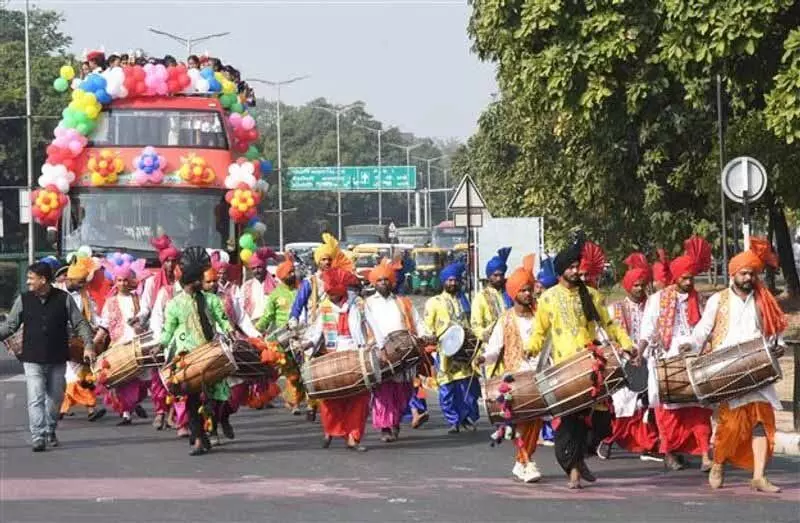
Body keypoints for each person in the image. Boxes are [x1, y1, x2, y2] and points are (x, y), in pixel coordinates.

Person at [527, 235, 634, 489]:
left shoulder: (593, 296)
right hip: (565, 370)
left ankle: (579, 459)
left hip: (592, 366)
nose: (576, 270)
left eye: (578, 266)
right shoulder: (549, 298)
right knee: (571, 423)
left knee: (602, 424)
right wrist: (530, 348)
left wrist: (627, 345)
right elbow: (540, 331)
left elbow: (609, 325)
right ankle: (574, 469)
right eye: (571, 267)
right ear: (561, 270)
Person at [690, 238, 787, 493]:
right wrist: (689, 348)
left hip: (758, 370)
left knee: (761, 422)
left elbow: (775, 331)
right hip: (727, 371)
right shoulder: (718, 300)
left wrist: (779, 346)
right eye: (743, 273)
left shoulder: (762, 300)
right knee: (730, 426)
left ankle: (758, 476)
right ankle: (719, 463)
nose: (748, 277)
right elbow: (703, 329)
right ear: (733, 274)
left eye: (752, 273)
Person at [0, 262, 94, 451]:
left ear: (43, 280)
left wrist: (89, 346)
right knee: (35, 397)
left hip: (57, 358)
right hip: (32, 358)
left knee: (55, 398)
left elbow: (80, 324)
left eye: (31, 278)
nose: (28, 282)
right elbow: (10, 326)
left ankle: (50, 428)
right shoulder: (24, 300)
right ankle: (38, 436)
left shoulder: (64, 299)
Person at [639, 237, 713, 472]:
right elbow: (647, 329)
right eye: (685, 278)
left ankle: (704, 455)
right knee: (668, 413)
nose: (689, 282)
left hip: (693, 359)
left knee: (699, 410)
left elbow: (707, 327)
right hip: (666, 360)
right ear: (676, 277)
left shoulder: (699, 299)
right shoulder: (658, 300)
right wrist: (640, 352)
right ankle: (669, 452)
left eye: (691, 278)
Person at [160, 247, 234, 456]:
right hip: (188, 358)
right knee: (192, 400)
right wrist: (160, 344)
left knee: (217, 399)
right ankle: (199, 439)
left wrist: (230, 332)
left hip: (211, 353)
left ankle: (214, 426)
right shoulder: (174, 304)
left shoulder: (211, 300)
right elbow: (168, 330)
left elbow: (223, 320)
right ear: (192, 281)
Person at [481, 255, 542, 483]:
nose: (528, 294)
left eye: (530, 289)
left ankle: (522, 462)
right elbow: (495, 349)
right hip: (516, 382)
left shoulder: (540, 316)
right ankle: (525, 461)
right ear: (514, 292)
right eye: (524, 290)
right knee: (522, 423)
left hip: (539, 377)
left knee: (534, 422)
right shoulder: (505, 319)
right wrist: (483, 358)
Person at [596, 253, 660, 462]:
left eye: (643, 285)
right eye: (637, 285)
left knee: (649, 403)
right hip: (624, 363)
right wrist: (625, 353)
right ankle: (610, 440)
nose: (641, 289)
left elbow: (657, 332)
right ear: (628, 286)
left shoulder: (654, 306)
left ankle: (649, 444)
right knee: (625, 404)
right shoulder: (615, 308)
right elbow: (605, 337)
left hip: (651, 360)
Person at [299, 268, 371, 452]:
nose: (330, 297)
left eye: (333, 294)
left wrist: (373, 345)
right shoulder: (325, 306)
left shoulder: (358, 304)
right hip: (332, 355)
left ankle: (353, 437)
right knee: (330, 397)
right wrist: (307, 343)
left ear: (341, 292)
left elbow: (371, 325)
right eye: (328, 294)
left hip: (356, 354)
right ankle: (331, 430)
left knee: (359, 398)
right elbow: (317, 330)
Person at [363, 259, 429, 442]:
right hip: (379, 352)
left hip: (404, 352)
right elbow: (363, 326)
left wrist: (424, 336)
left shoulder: (403, 302)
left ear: (391, 281)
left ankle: (395, 422)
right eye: (379, 280)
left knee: (402, 392)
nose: (383, 283)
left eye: (386, 279)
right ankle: (385, 427)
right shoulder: (367, 304)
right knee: (383, 391)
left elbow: (417, 321)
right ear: (374, 283)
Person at [424, 262, 480, 434]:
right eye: (449, 280)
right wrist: (430, 338)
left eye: (455, 280)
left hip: (464, 353)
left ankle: (466, 418)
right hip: (445, 352)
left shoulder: (465, 301)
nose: (453, 283)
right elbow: (428, 327)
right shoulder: (434, 302)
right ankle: (453, 420)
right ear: (443, 282)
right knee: (447, 388)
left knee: (466, 387)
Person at [100, 255, 149, 426]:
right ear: (115, 281)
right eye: (119, 280)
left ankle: (134, 404)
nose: (122, 283)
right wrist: (95, 342)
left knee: (143, 382)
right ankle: (126, 413)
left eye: (125, 280)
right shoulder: (110, 302)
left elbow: (145, 316)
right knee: (122, 381)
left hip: (137, 343)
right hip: (119, 345)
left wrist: (140, 323)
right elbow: (104, 324)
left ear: (130, 281)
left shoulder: (138, 299)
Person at [59, 256, 108, 422]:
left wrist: (102, 327)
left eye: (83, 282)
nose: (83, 285)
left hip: (80, 342)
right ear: (69, 279)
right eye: (80, 282)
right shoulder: (55, 293)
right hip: (60, 342)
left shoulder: (85, 295)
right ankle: (89, 408)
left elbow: (94, 316)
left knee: (81, 376)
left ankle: (65, 410)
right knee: (74, 377)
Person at [140, 235, 181, 430]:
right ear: (162, 262)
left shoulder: (183, 286)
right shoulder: (152, 284)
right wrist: (140, 319)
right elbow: (147, 309)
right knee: (158, 378)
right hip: (159, 334)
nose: (171, 265)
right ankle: (160, 412)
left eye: (174, 261)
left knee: (178, 377)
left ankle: (174, 413)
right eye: (168, 261)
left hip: (181, 337)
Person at [256, 254, 302, 414]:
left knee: (302, 370)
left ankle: (301, 400)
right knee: (292, 372)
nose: (292, 275)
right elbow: (267, 316)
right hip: (282, 339)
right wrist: (257, 330)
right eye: (289, 273)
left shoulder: (301, 290)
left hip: (301, 336)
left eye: (293, 272)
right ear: (282, 276)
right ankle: (293, 401)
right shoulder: (275, 294)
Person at [471, 247, 513, 343]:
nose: (499, 278)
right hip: (490, 344)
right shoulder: (480, 297)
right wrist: (485, 335)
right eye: (495, 275)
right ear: (488, 276)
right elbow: (475, 325)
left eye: (501, 275)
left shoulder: (509, 294)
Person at [240, 247, 278, 324]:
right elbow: (241, 308)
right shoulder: (246, 286)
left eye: (259, 267)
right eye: (253, 268)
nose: (256, 271)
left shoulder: (275, 284)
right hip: (253, 325)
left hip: (272, 324)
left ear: (264, 267)